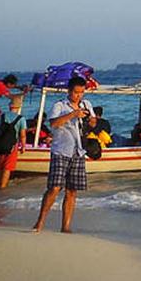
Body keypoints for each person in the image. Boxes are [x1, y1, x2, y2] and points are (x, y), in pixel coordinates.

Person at [33, 76, 94, 233]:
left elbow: (93, 123)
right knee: (54, 188)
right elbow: (53, 123)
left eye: (81, 92)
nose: (78, 95)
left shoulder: (86, 104)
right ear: (69, 91)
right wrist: (73, 114)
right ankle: (40, 222)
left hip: (78, 150)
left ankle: (66, 226)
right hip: (61, 150)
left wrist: (91, 120)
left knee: (72, 190)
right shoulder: (59, 105)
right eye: (76, 92)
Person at [0, 95, 27, 189]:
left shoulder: (2, 116)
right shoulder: (21, 119)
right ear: (18, 107)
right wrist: (23, 146)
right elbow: (23, 135)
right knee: (7, 168)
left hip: (0, 144)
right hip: (12, 146)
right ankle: (2, 187)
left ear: (9, 106)